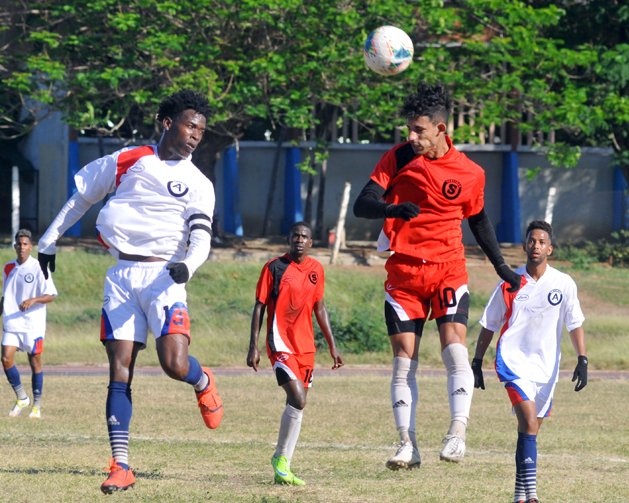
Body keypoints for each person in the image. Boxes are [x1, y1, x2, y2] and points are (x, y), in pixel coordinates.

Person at [36, 90, 223, 494]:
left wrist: (186, 267)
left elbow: (201, 239)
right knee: (119, 369)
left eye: (201, 130)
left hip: (165, 279)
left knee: (174, 364)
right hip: (121, 276)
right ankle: (121, 465)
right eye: (191, 125)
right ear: (168, 122)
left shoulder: (198, 183)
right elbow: (81, 198)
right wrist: (48, 241)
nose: (196, 135)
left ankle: (202, 380)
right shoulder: (129, 158)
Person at [352, 82, 521, 469]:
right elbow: (364, 204)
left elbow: (478, 220)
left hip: (448, 269)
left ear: (442, 129)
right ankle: (405, 445)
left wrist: (502, 267)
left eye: (419, 130)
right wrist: (393, 211)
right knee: (403, 360)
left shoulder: (470, 173)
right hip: (405, 272)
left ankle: (457, 434)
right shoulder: (397, 158)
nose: (411, 137)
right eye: (408, 129)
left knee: (453, 346)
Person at [472, 220, 588, 503]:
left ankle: (518, 496)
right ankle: (533, 495)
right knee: (527, 421)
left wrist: (582, 358)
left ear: (550, 248)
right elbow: (489, 324)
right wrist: (476, 360)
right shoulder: (510, 282)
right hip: (513, 362)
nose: (535, 246)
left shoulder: (563, 283)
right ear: (525, 245)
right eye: (531, 240)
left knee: (529, 429)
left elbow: (574, 324)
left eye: (541, 242)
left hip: (546, 368)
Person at [247, 221, 344, 486]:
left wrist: (332, 345)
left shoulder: (316, 270)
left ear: (311, 242)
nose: (299, 239)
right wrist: (253, 345)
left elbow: (320, 307)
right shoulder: (274, 268)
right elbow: (259, 307)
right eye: (295, 235)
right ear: (289, 239)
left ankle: (282, 463)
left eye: (304, 236)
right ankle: (281, 461)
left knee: (297, 406)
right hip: (280, 343)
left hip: (306, 347)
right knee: (298, 398)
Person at [1, 229, 57, 419]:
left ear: (31, 246)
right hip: (12, 321)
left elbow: (51, 295)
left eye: (25, 244)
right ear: (15, 246)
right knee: (6, 359)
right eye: (19, 244)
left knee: (34, 361)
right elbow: (7, 295)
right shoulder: (8, 267)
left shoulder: (40, 267)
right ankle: (21, 397)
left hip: (33, 324)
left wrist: (33, 300)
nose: (21, 247)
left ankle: (37, 405)